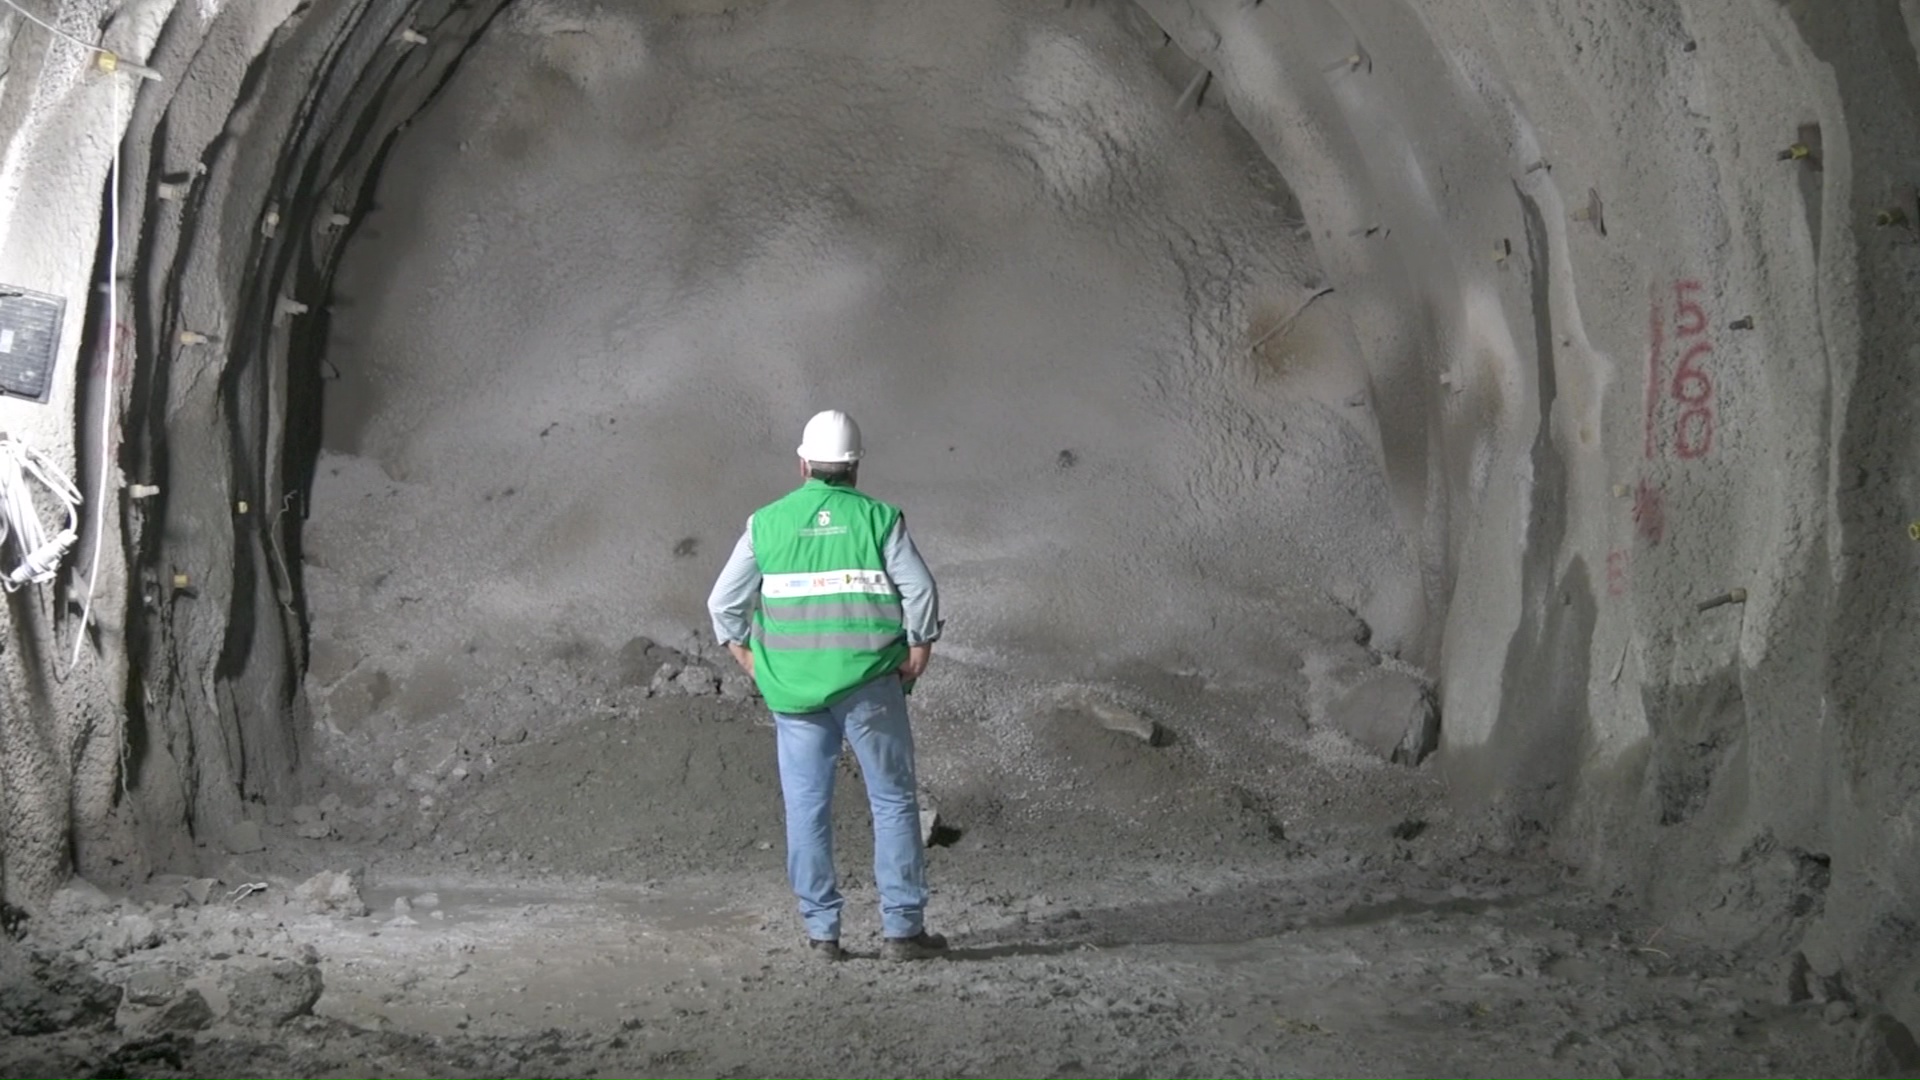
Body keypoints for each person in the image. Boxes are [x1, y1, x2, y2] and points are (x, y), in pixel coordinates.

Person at [706, 409, 947, 963]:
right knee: (891, 802)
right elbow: (922, 591)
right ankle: (903, 933)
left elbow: (723, 604)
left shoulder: (765, 523)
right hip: (871, 687)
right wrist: (919, 648)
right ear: (856, 467)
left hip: (793, 696)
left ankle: (822, 936)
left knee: (807, 808)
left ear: (803, 464)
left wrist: (751, 662)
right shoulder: (879, 519)